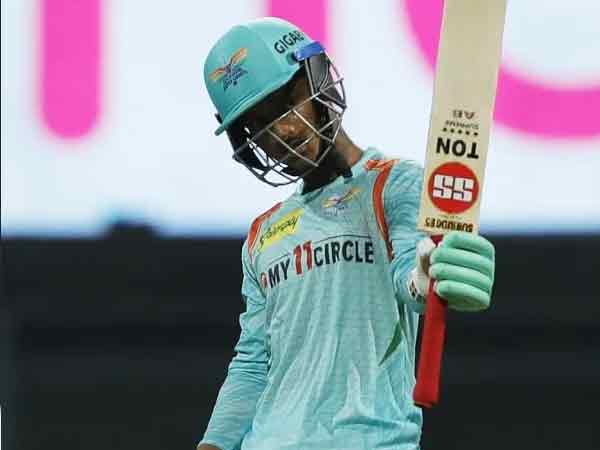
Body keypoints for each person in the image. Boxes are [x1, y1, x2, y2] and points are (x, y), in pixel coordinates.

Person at [198, 17, 495, 450]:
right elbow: (253, 364)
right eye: (259, 124)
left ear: (318, 78)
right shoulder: (262, 234)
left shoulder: (395, 183)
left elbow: (410, 282)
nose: (282, 132)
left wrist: (427, 278)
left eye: (287, 102)